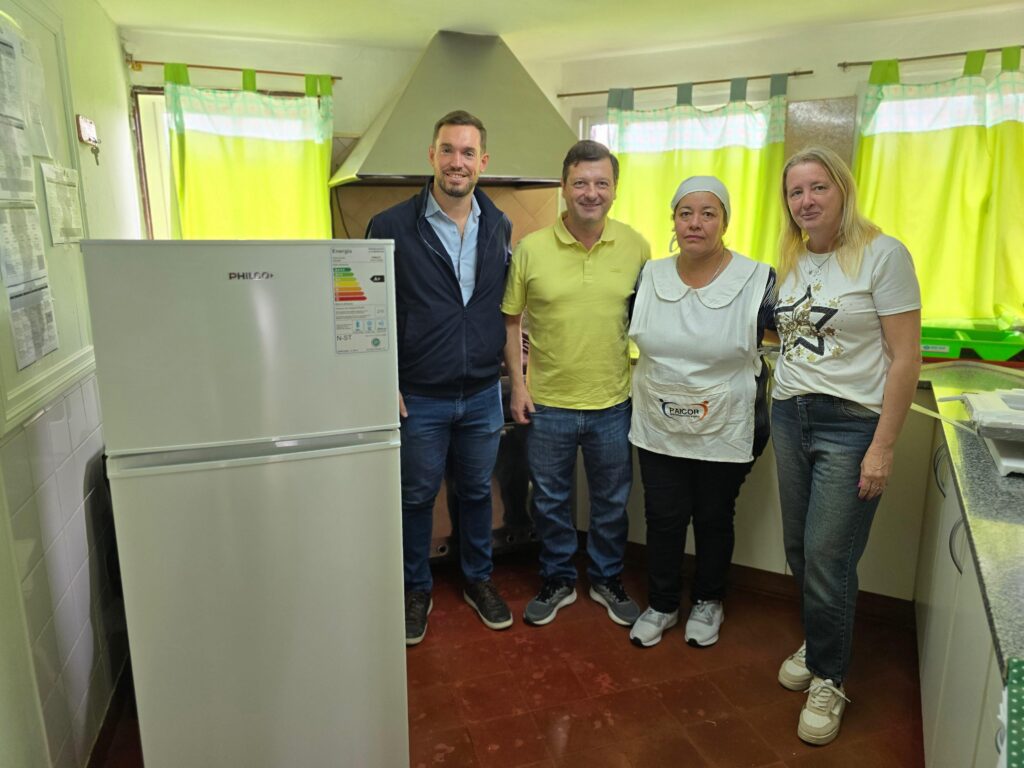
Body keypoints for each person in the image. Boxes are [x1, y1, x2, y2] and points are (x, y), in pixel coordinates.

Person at [771, 147, 921, 745]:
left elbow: (905, 359)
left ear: (843, 189)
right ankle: (818, 642)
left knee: (829, 556)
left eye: (818, 188)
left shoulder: (884, 254)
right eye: (795, 192)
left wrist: (883, 447)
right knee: (800, 550)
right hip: (790, 415)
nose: (806, 201)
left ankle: (829, 677)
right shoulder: (791, 258)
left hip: (852, 424)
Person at [366, 110, 514, 646]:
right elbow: (368, 312)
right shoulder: (389, 226)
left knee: (475, 493)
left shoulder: (499, 224)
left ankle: (478, 579)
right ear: (431, 155)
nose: (457, 161)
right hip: (419, 395)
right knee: (415, 497)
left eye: (468, 152)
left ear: (483, 161)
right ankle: (415, 589)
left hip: (481, 392)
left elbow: (503, 306)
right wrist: (381, 380)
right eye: (448, 150)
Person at [502, 140, 651, 627]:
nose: (591, 192)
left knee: (611, 502)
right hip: (548, 403)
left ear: (615, 189)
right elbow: (511, 320)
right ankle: (559, 579)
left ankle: (607, 579)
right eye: (581, 182)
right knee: (550, 501)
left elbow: (646, 319)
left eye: (601, 183)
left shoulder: (636, 246)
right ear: (564, 187)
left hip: (613, 401)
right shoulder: (531, 249)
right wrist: (519, 386)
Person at [626, 176, 775, 650]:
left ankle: (709, 601)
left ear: (725, 222)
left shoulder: (757, 278)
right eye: (685, 213)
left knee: (713, 515)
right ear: (673, 220)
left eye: (708, 213)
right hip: (658, 420)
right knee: (663, 516)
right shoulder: (650, 276)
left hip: (726, 422)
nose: (695, 223)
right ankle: (662, 604)